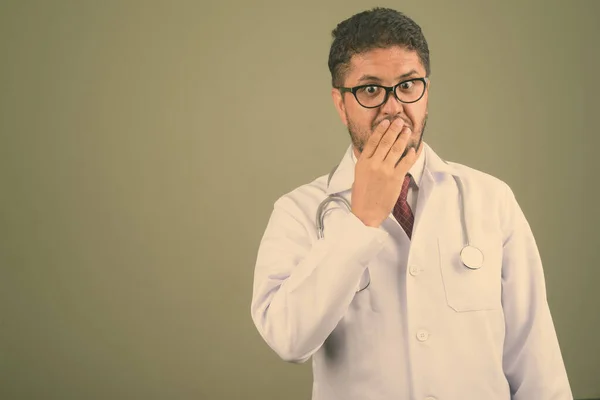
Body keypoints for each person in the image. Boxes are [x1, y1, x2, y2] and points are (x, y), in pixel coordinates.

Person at [250, 7, 572, 400]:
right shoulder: (298, 211)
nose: (392, 107)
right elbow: (289, 339)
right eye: (370, 89)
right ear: (340, 103)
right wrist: (361, 221)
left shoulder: (491, 200)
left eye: (407, 86)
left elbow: (537, 364)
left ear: (426, 91)